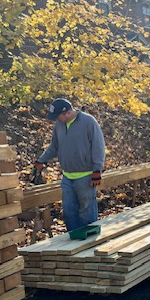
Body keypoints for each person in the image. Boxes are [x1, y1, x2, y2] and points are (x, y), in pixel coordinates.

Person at [35, 98, 105, 232]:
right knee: (69, 210)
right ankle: (74, 241)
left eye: (58, 117)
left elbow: (98, 147)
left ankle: (90, 243)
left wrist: (97, 170)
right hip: (67, 176)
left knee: (86, 210)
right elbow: (54, 146)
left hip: (86, 176)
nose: (57, 120)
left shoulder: (88, 122)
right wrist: (41, 160)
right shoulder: (59, 125)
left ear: (67, 113)